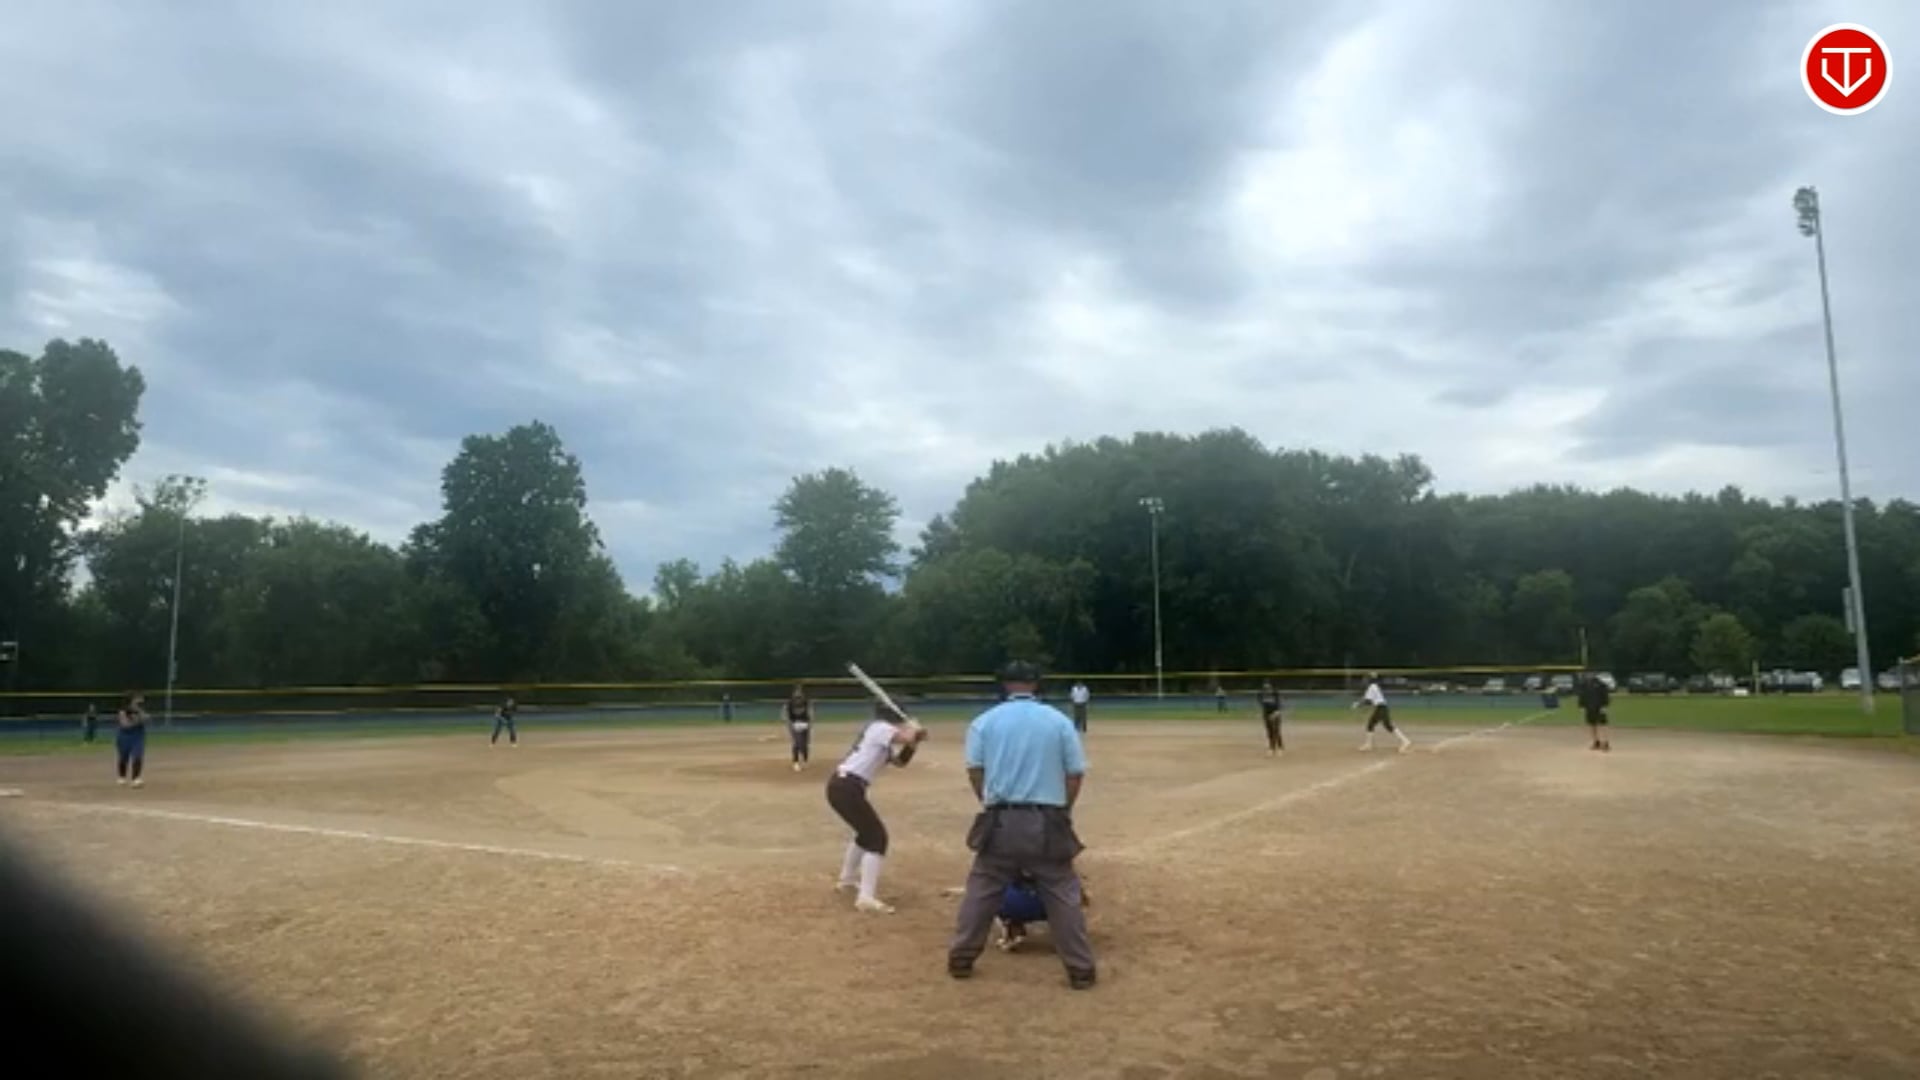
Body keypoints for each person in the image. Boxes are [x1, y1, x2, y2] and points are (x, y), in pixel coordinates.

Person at [948, 660, 1096, 990]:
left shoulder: (984, 722)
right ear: (1036, 684)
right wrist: (1063, 810)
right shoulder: (1059, 722)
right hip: (1047, 816)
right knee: (1062, 891)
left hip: (1001, 817)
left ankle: (962, 956)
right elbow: (1074, 774)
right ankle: (1080, 969)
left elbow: (975, 771)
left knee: (982, 888)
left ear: (1004, 684)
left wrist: (989, 802)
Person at [827, 701, 926, 913]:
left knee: (866, 834)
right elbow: (906, 736)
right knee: (877, 838)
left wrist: (914, 742)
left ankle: (847, 881)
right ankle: (866, 898)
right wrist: (913, 731)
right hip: (847, 786)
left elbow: (900, 762)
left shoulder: (882, 735)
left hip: (845, 787)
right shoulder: (879, 727)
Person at [1353, 673, 1411, 753]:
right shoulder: (1373, 687)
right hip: (1379, 707)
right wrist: (1361, 705)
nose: (1365, 681)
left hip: (1381, 708)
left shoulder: (1372, 687)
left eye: (1366, 679)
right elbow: (1369, 701)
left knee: (1388, 725)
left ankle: (1405, 741)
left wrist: (1358, 704)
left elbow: (1368, 701)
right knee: (1371, 724)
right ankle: (1368, 745)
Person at [114, 692, 148, 787]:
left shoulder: (140, 711)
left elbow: (147, 719)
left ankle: (136, 778)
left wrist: (140, 715)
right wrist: (137, 721)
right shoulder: (123, 712)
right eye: (137, 702)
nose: (139, 704)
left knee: (137, 756)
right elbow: (125, 725)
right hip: (124, 737)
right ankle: (122, 776)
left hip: (137, 737)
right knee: (123, 758)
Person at [783, 685, 816, 772]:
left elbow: (811, 712)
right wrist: (789, 724)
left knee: (805, 744)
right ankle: (796, 762)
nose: (798, 695)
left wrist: (810, 723)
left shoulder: (806, 702)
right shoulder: (789, 703)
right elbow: (785, 714)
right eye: (796, 693)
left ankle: (805, 759)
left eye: (800, 693)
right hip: (794, 724)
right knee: (797, 743)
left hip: (805, 724)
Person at [1578, 673, 1613, 752]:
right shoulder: (1584, 685)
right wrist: (1581, 706)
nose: (1589, 676)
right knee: (1592, 724)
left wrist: (1604, 706)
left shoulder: (1601, 684)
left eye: (1591, 674)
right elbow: (1581, 696)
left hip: (1599, 707)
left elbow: (1605, 696)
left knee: (1603, 724)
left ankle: (1605, 743)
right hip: (1589, 707)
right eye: (1588, 674)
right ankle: (1596, 742)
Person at [1257, 679, 1285, 756]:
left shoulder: (1275, 693)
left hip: (1276, 713)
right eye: (1265, 687)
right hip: (1267, 714)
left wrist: (1276, 713)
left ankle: (1280, 747)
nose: (1267, 689)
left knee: (1276, 731)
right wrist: (1264, 714)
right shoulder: (1261, 694)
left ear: (1271, 687)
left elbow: (1279, 704)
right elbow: (1262, 705)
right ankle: (1271, 748)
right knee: (1269, 732)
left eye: (1268, 687)